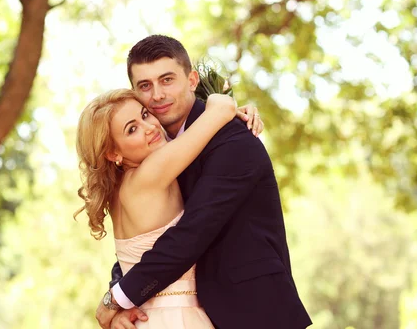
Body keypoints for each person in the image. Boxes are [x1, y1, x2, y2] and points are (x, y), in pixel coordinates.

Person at [93, 35, 312, 329]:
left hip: (255, 313)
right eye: (145, 86)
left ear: (192, 80)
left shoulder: (233, 137)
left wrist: (118, 298)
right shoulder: (155, 153)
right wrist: (121, 295)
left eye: (167, 79)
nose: (157, 95)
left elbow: (191, 232)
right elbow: (145, 239)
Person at [76, 89, 240, 328]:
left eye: (145, 115)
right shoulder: (150, 174)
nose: (150, 127)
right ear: (113, 153)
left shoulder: (122, 189)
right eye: (132, 129)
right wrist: (221, 103)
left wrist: (116, 303)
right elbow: (222, 109)